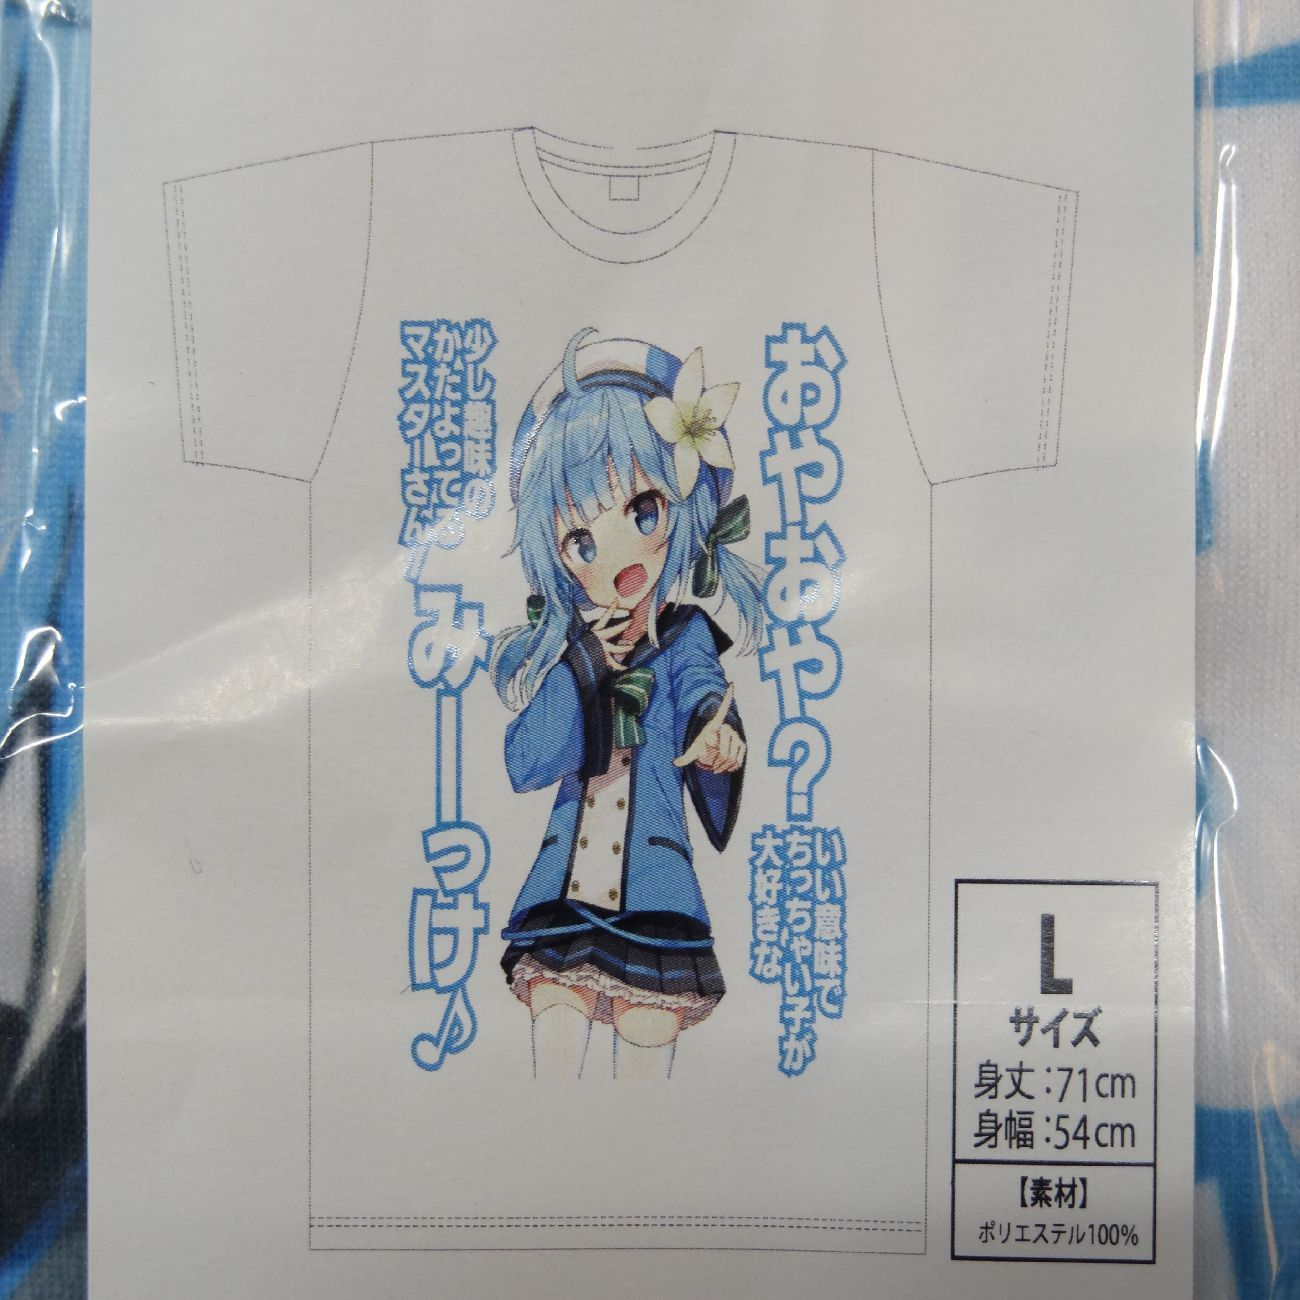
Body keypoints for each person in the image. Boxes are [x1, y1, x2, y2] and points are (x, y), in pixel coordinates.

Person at [491, 328, 762, 1079]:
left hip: (653, 891)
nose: (614, 555)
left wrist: (717, 740)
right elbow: (523, 761)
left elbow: (705, 697)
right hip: (565, 889)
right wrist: (586, 667)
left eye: (644, 511)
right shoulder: (571, 653)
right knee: (555, 1030)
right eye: (581, 542)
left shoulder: (684, 638)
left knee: (647, 1044)